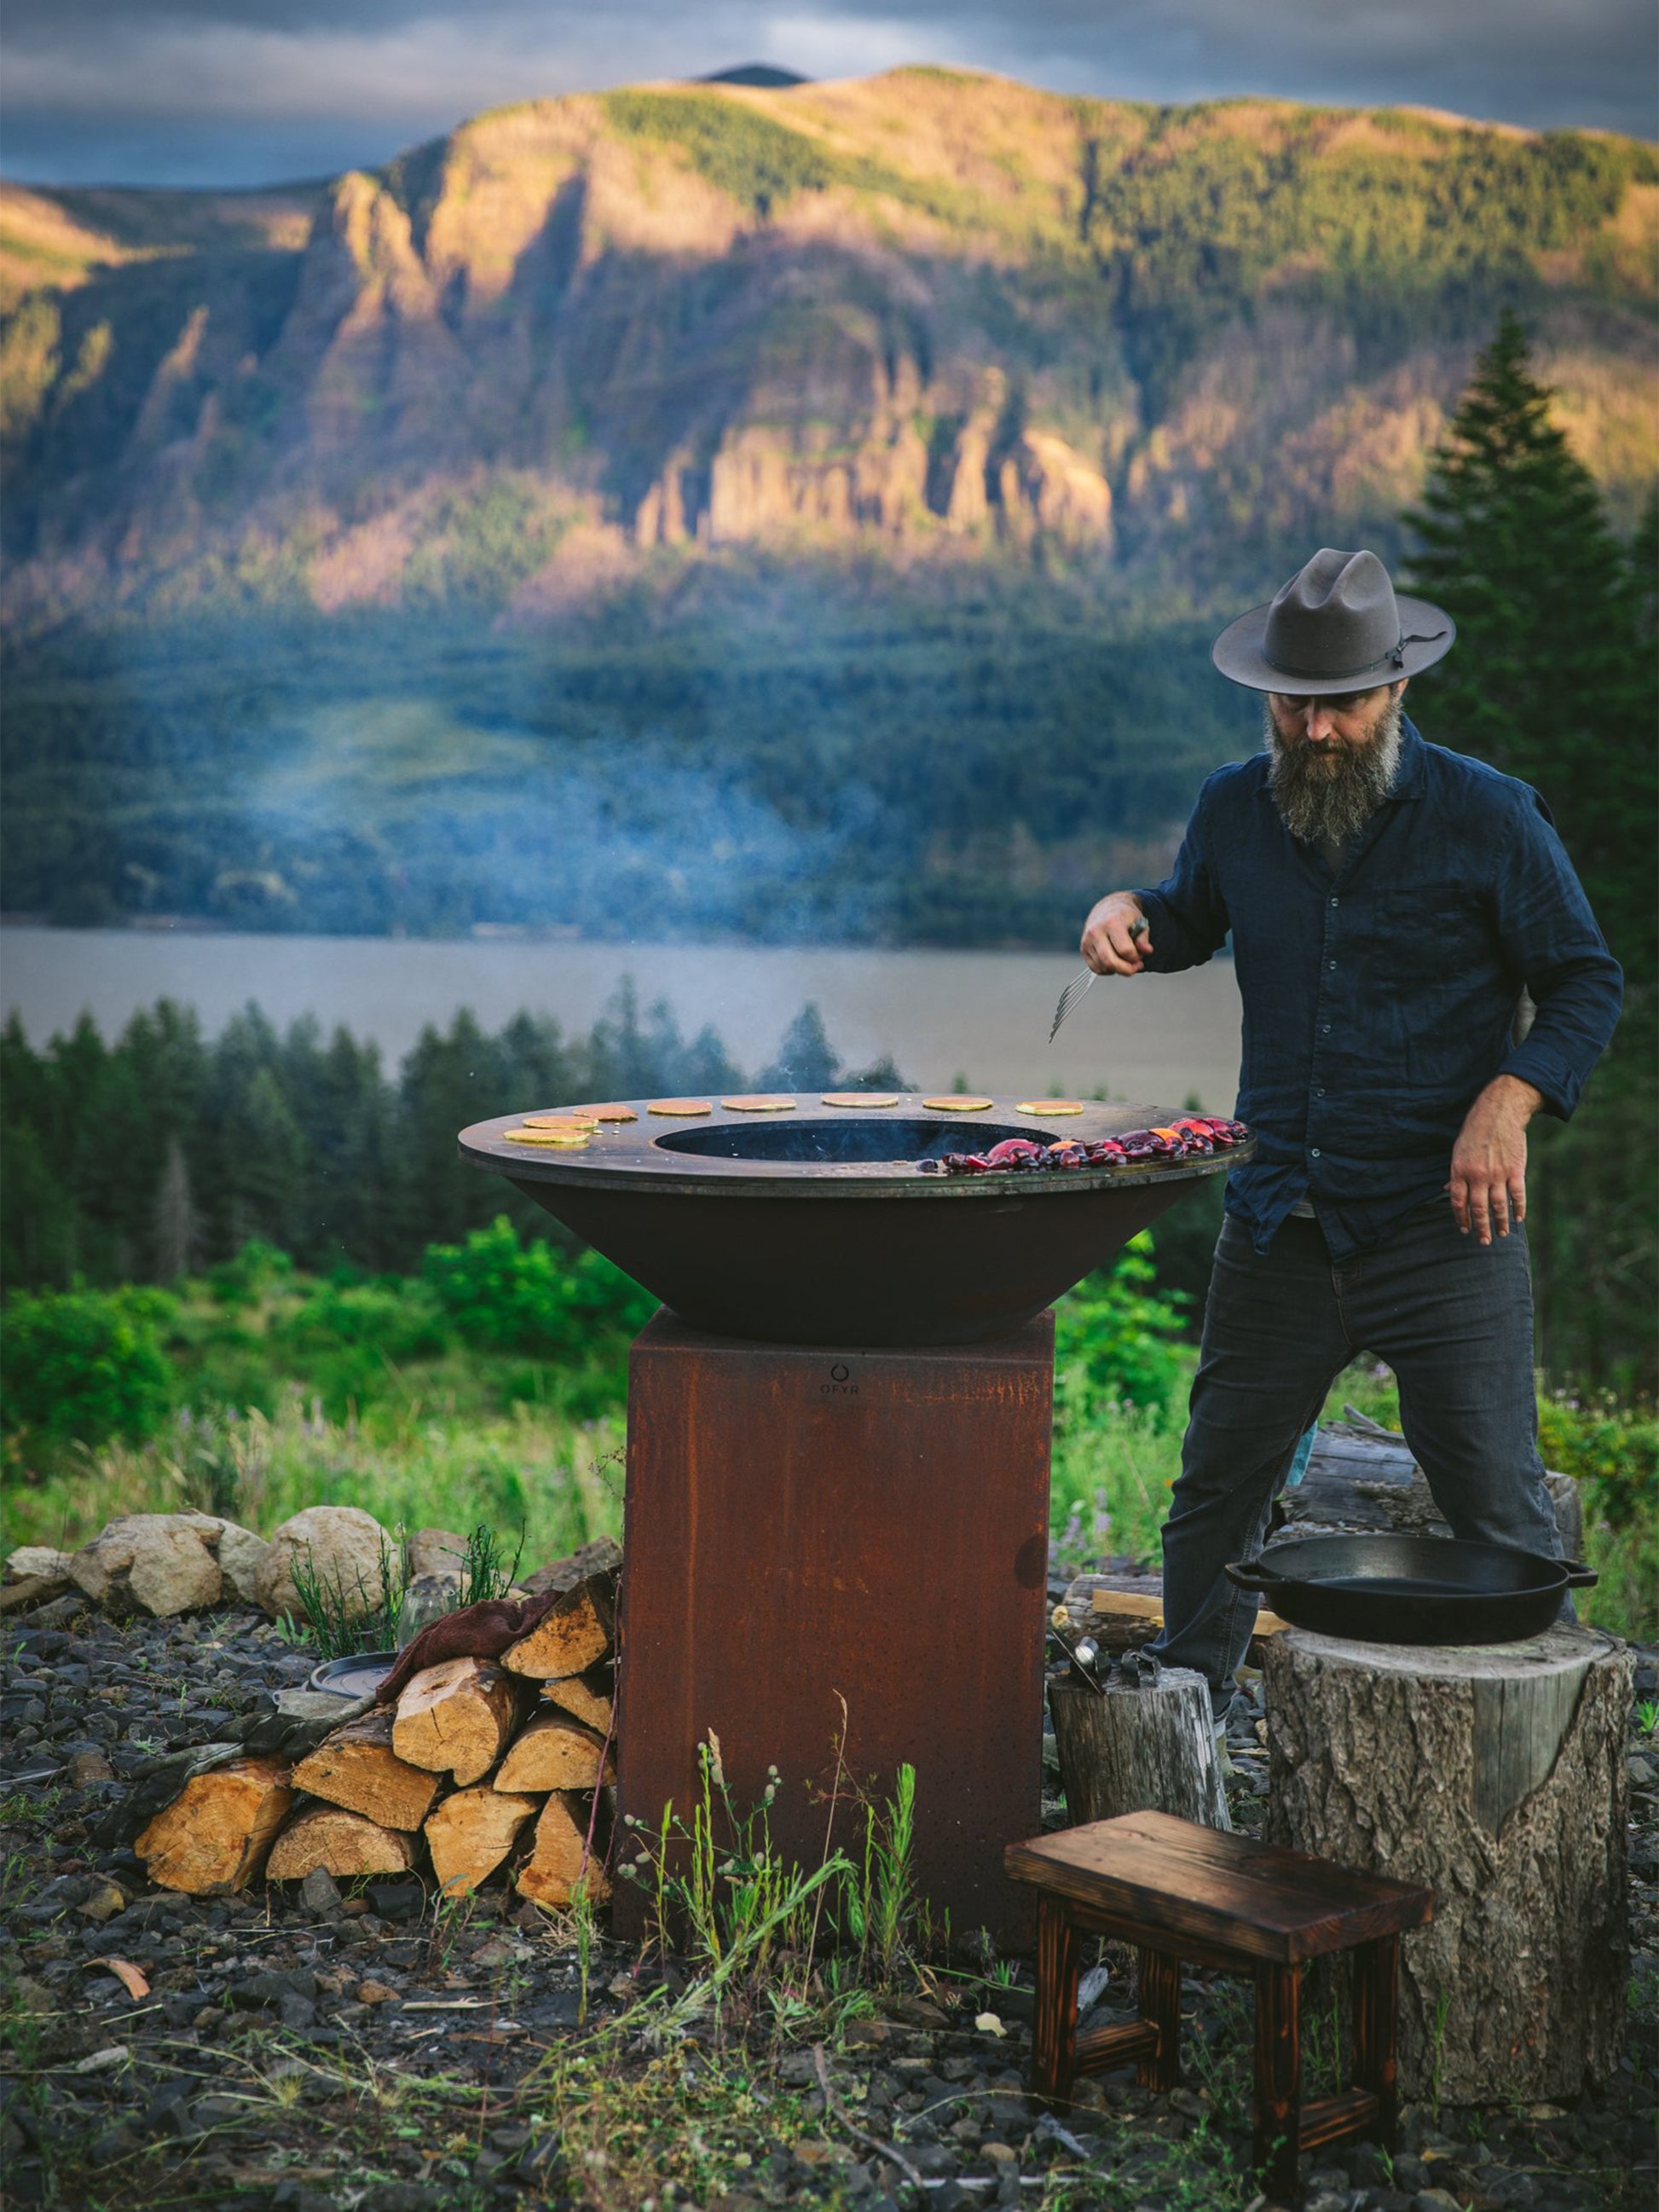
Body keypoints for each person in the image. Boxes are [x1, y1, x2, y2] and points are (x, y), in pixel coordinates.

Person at [1078, 547, 1622, 1718]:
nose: (1314, 730)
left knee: (1499, 1514)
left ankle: (1545, 1747)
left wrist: (1507, 1098)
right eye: (1292, 702)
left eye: (1340, 703)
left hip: (1442, 1230)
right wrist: (1127, 915)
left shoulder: (1488, 814)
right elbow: (1186, 917)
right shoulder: (1235, 803)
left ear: (1396, 687)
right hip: (1276, 1218)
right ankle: (1184, 1712)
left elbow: (1585, 982)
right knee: (1217, 1488)